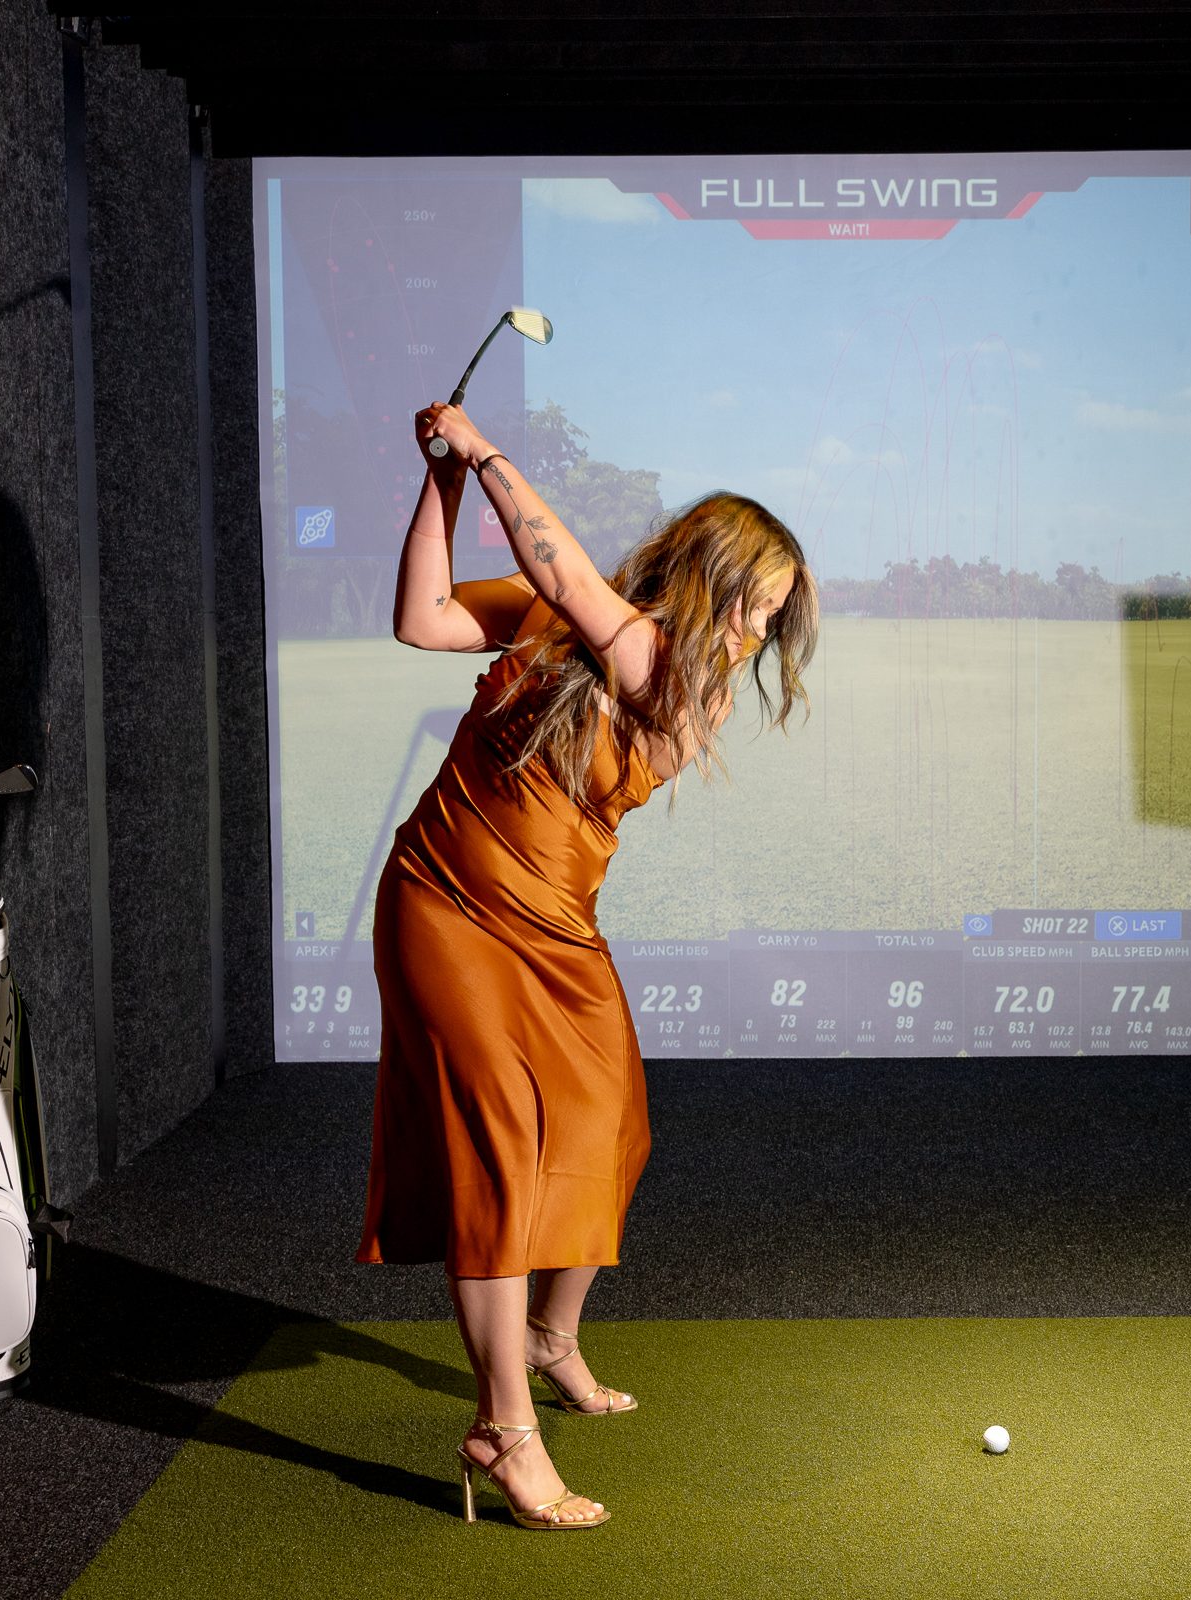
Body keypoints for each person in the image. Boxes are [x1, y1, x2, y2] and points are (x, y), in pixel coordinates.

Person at [357, 400, 817, 1529]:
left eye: (775, 617)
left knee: (614, 1123)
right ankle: (502, 1427)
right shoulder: (577, 624)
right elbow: (422, 618)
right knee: (498, 1153)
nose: (759, 634)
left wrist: (486, 450)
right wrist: (450, 480)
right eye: (756, 604)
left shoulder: (672, 673)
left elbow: (567, 586)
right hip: (442, 903)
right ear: (709, 575)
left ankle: (552, 1336)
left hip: (555, 923)